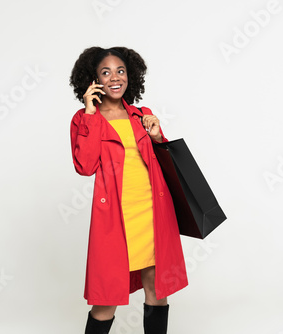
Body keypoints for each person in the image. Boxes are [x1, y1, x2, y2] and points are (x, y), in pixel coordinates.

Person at [69, 46, 188, 334]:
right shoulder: (86, 118)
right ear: (93, 80)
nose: (114, 77)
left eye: (120, 71)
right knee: (106, 300)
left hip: (152, 213)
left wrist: (158, 136)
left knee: (157, 292)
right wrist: (88, 111)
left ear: (130, 76)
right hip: (116, 218)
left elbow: (166, 163)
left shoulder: (141, 115)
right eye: (105, 72)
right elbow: (84, 166)